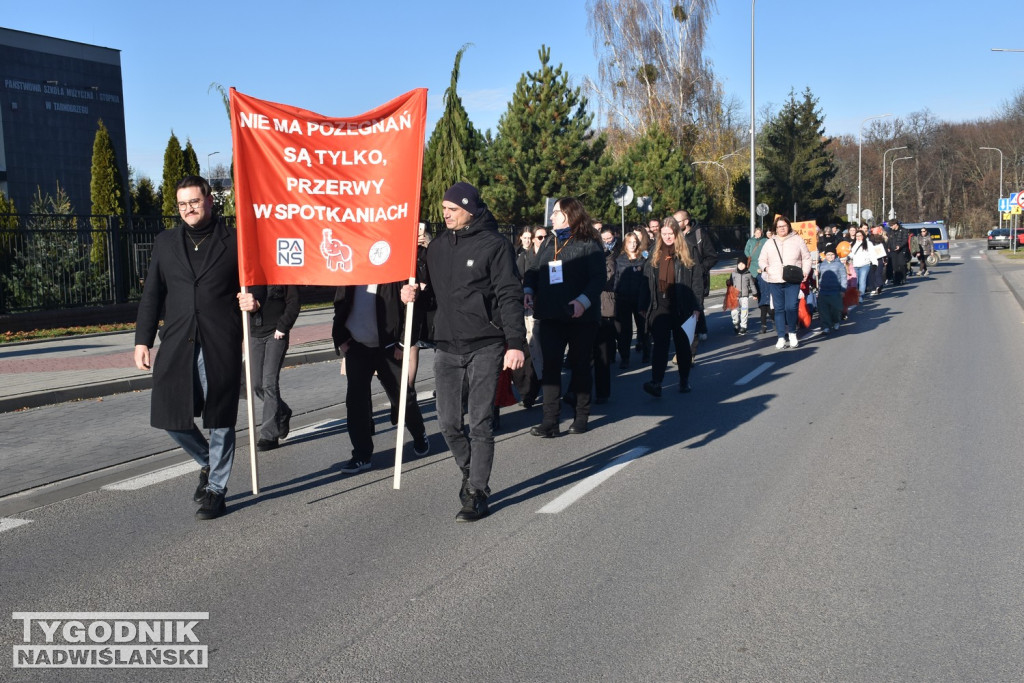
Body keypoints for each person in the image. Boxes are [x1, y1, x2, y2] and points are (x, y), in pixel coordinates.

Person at [134, 175, 262, 521]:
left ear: (209, 201)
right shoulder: (165, 243)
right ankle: (208, 460)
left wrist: (254, 300)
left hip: (220, 340)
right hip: (177, 341)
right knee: (168, 413)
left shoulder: (235, 240)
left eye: (194, 201)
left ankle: (216, 489)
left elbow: (260, 281)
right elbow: (152, 296)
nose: (189, 209)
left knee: (220, 415)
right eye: (182, 204)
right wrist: (142, 340)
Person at [402, 182, 525, 523]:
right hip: (446, 346)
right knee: (448, 422)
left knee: (481, 421)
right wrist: (412, 295)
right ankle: (471, 470)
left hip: (486, 343)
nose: (445, 214)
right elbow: (431, 297)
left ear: (469, 209)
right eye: (443, 209)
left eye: (452, 209)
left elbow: (509, 294)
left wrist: (515, 342)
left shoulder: (494, 244)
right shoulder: (438, 247)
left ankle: (477, 492)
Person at [524, 196, 605, 437]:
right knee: (550, 369)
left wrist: (583, 301)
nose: (551, 217)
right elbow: (534, 269)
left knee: (579, 367)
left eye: (555, 212)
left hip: (580, 316)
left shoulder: (589, 242)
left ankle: (581, 416)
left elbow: (598, 278)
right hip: (550, 314)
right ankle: (550, 421)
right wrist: (529, 289)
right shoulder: (549, 242)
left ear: (568, 215)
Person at [332, 280, 431, 474]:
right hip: (357, 347)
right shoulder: (352, 273)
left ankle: (419, 434)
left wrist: (403, 343)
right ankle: (362, 455)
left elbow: (412, 310)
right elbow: (339, 303)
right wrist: (340, 338)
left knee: (403, 397)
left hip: (388, 348)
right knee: (356, 402)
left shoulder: (393, 273)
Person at [642, 216, 703, 396]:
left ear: (677, 233)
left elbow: (697, 281)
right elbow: (646, 280)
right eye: (664, 233)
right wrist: (643, 304)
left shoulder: (688, 250)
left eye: (671, 233)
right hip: (660, 305)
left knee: (682, 346)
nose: (668, 237)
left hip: (682, 305)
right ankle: (656, 382)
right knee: (660, 345)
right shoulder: (655, 250)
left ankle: (684, 380)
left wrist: (697, 307)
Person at [248, 284, 300, 451]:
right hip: (255, 333)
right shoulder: (249, 274)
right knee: (256, 384)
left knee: (269, 383)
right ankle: (282, 412)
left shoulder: (282, 272)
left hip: (276, 333)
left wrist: (283, 326)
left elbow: (294, 302)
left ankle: (269, 435)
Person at [758, 215, 811, 350]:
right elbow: (761, 259)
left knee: (791, 307)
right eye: (779, 226)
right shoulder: (769, 243)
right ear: (775, 228)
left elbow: (806, 257)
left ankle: (792, 333)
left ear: (789, 226)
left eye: (784, 226)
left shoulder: (797, 240)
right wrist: (766, 268)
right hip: (775, 280)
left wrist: (805, 270)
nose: (782, 228)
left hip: (792, 279)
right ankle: (781, 336)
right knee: (779, 309)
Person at [614, 231, 649, 367]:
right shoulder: (620, 259)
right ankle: (625, 357)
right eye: (630, 242)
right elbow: (617, 278)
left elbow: (647, 279)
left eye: (635, 242)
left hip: (640, 298)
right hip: (623, 299)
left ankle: (647, 352)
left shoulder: (643, 257)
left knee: (643, 327)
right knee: (625, 331)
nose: (633, 245)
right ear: (625, 244)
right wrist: (617, 293)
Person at [593, 226, 620, 403]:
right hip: (583, 309)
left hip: (602, 308)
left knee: (601, 352)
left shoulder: (607, 257)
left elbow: (607, 278)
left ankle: (603, 393)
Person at [744, 226, 771, 333]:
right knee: (755, 285)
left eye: (760, 232)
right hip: (753, 266)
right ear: (754, 233)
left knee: (763, 286)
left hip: (762, 265)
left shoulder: (765, 241)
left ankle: (765, 305)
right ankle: (757, 296)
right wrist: (750, 256)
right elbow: (746, 251)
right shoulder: (750, 241)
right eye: (757, 232)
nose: (758, 234)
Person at [816, 247, 847, 333]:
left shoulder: (839, 265)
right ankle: (826, 326)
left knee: (835, 310)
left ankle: (836, 321)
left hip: (835, 291)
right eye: (828, 254)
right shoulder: (821, 265)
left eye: (832, 254)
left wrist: (843, 289)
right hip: (823, 291)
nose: (830, 256)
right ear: (825, 255)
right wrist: (816, 274)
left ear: (835, 255)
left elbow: (844, 278)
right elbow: (816, 278)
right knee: (823, 310)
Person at [727, 259, 758, 334]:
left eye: (743, 264)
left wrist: (755, 294)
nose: (741, 266)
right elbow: (730, 283)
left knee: (744, 311)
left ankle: (743, 326)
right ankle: (735, 322)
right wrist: (728, 284)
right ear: (737, 265)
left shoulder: (748, 274)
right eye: (739, 264)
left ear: (746, 265)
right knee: (734, 311)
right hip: (735, 295)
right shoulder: (734, 273)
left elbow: (752, 285)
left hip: (744, 296)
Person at [848, 229, 873, 297]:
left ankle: (860, 296)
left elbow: (872, 253)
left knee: (862, 281)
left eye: (860, 236)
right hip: (855, 265)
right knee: (855, 282)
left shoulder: (868, 243)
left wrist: (874, 262)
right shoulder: (853, 244)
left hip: (865, 265)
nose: (858, 237)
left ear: (863, 236)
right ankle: (856, 296)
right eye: (857, 236)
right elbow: (851, 254)